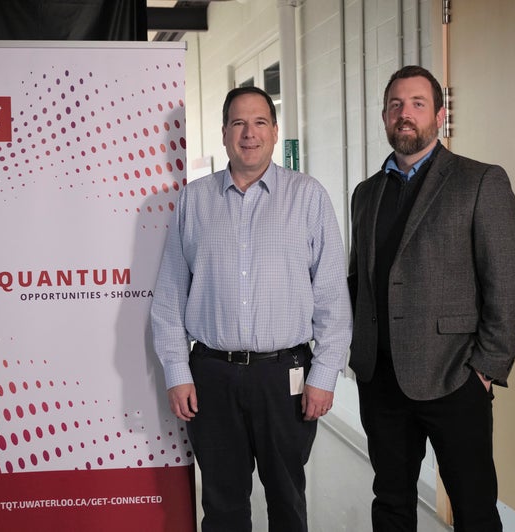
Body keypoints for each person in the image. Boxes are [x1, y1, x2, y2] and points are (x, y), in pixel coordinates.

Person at [151, 86, 352, 532]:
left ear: (275, 132)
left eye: (260, 122)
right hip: (211, 376)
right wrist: (177, 371)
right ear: (224, 133)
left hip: (285, 377)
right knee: (222, 506)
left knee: (287, 498)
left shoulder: (308, 197)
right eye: (238, 123)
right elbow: (168, 297)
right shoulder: (194, 200)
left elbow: (333, 298)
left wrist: (323, 376)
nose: (249, 133)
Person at [347, 65, 515, 531]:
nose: (404, 114)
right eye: (395, 105)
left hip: (454, 378)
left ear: (440, 116)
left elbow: (508, 281)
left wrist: (485, 370)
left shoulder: (479, 181)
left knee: (473, 509)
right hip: (381, 382)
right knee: (390, 503)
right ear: (385, 116)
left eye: (417, 104)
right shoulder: (366, 194)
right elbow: (359, 281)